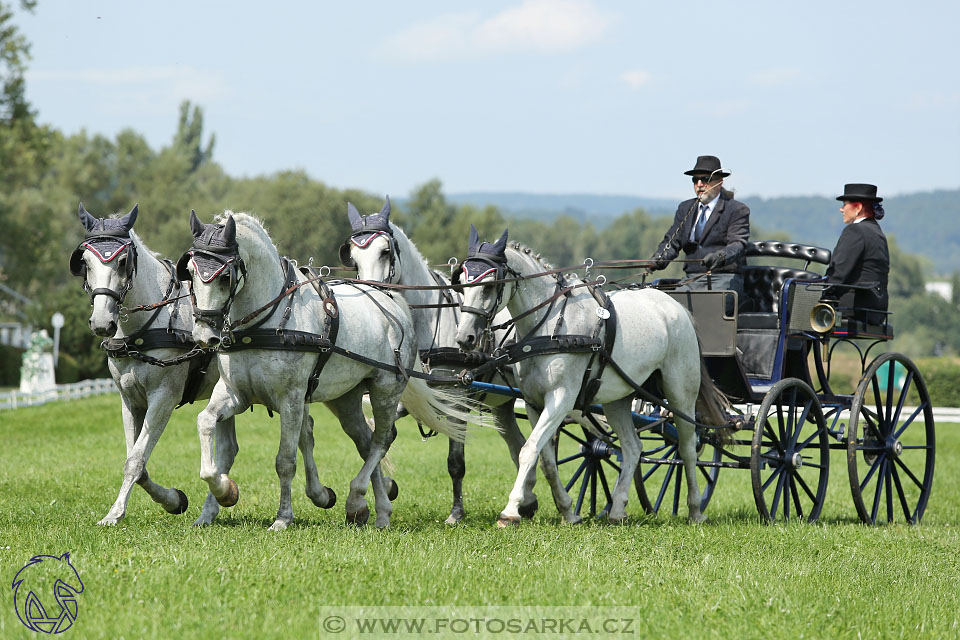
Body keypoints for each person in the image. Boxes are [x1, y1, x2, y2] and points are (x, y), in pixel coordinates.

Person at [649, 155, 750, 310]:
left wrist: (720, 257)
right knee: (668, 309)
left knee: (705, 310)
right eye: (695, 180)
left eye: (705, 179)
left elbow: (738, 244)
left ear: (719, 182)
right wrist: (658, 259)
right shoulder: (685, 208)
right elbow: (672, 241)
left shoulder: (736, 210)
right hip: (691, 280)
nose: (699, 184)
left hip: (723, 280)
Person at [823, 183, 889, 326]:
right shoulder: (877, 233)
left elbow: (838, 274)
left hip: (853, 309)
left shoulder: (855, 231)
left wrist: (820, 293)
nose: (841, 209)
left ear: (858, 208)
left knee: (795, 317)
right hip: (876, 310)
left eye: (845, 204)